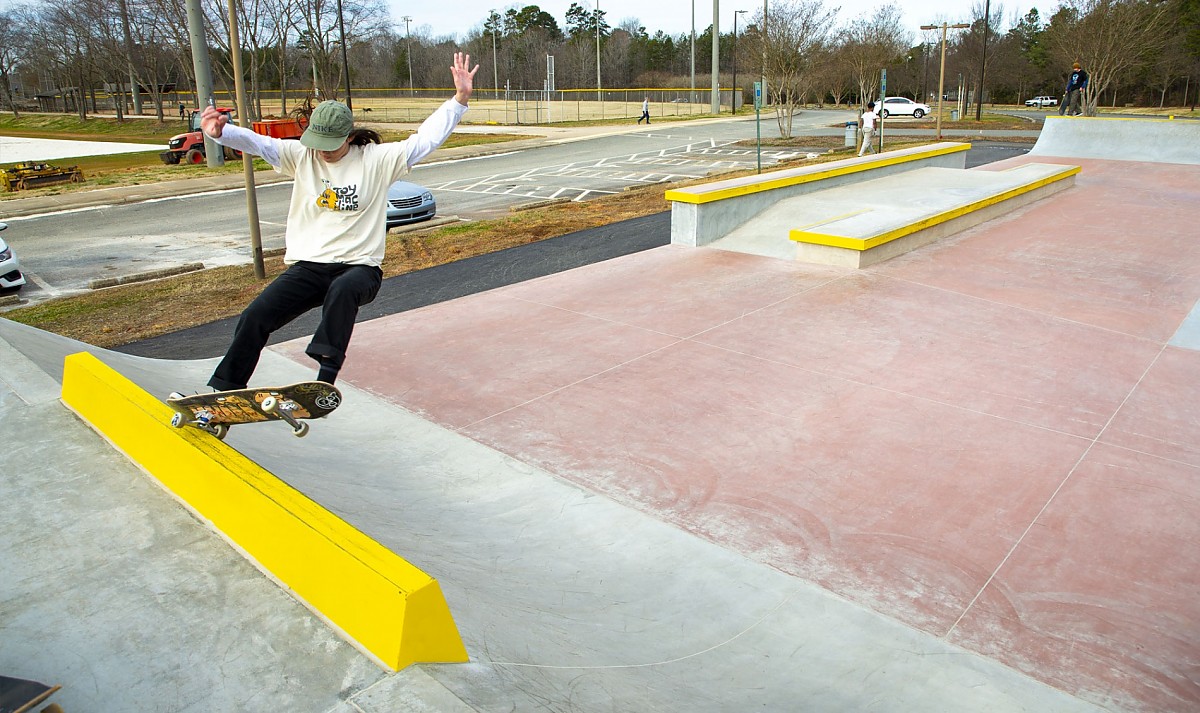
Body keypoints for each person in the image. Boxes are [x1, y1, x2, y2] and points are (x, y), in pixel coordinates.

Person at [198, 52, 479, 391]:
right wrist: (220, 133)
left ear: (349, 136)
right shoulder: (300, 156)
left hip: (359, 268)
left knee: (343, 291)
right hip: (310, 268)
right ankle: (223, 388)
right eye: (318, 144)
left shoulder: (377, 160)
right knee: (255, 316)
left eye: (331, 146)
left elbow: (424, 140)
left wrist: (459, 99)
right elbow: (258, 143)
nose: (323, 152)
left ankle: (325, 379)